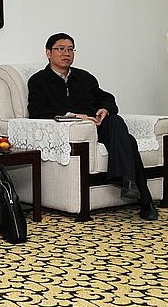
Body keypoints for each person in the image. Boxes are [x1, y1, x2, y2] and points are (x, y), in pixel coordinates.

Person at [27, 32, 158, 221]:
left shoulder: (84, 77)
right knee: (129, 141)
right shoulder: (38, 81)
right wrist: (73, 116)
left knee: (115, 120)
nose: (66, 53)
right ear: (48, 53)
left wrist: (104, 109)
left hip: (97, 126)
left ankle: (128, 182)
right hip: (74, 131)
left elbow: (106, 98)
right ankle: (144, 199)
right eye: (61, 49)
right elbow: (37, 111)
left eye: (70, 49)